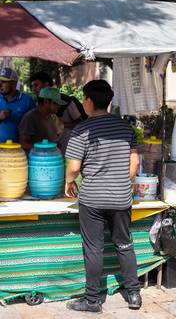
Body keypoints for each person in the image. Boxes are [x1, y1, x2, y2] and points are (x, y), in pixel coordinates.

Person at [64, 80, 142, 313]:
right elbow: (134, 163)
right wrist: (120, 182)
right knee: (125, 244)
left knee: (94, 248)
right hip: (121, 198)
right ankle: (134, 294)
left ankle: (91, 300)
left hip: (93, 199)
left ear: (88, 101)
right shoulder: (125, 128)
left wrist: (69, 182)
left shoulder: (82, 130)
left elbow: (74, 167)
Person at [30, 72, 87, 146]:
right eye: (32, 86)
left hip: (68, 146)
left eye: (36, 85)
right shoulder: (37, 105)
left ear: (46, 85)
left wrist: (61, 125)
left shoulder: (67, 101)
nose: (33, 89)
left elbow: (80, 123)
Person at [18, 87, 65, 152]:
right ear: (46, 101)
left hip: (51, 158)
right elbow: (23, 144)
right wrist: (43, 148)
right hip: (36, 160)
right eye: (56, 103)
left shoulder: (52, 117)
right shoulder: (29, 118)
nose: (59, 106)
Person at [0, 67, 35, 143]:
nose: (0, 85)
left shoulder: (27, 100)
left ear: (14, 83)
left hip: (19, 149)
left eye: (3, 82)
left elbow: (34, 125)